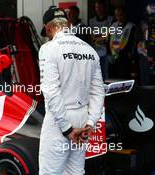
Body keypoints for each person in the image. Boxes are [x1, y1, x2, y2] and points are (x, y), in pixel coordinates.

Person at [39, 6, 105, 175]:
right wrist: (90, 124)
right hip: (83, 120)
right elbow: (98, 92)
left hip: (59, 121)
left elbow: (51, 92)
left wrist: (67, 129)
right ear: (67, 24)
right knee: (76, 172)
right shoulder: (90, 51)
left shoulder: (48, 49)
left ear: (48, 28)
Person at [108, 7, 137, 79]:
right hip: (113, 55)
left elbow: (132, 42)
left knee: (123, 77)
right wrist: (109, 53)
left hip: (124, 57)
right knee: (113, 77)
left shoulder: (131, 26)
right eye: (117, 15)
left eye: (121, 15)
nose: (119, 17)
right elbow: (109, 39)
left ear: (125, 14)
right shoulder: (113, 25)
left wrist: (129, 54)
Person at [89, 0, 114, 80]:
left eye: (100, 7)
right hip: (95, 52)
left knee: (106, 75)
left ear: (105, 8)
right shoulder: (91, 21)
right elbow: (91, 36)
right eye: (97, 7)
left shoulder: (111, 19)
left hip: (107, 52)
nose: (99, 9)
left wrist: (100, 38)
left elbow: (111, 35)